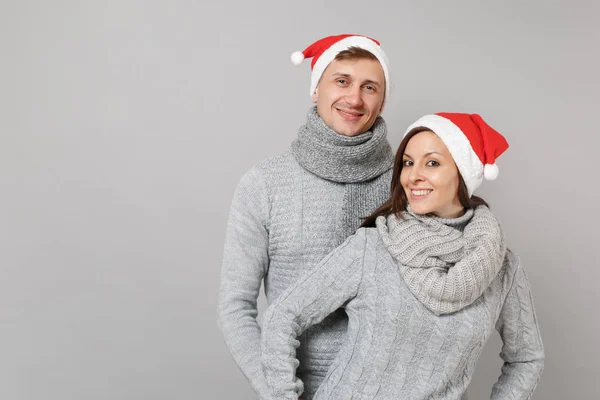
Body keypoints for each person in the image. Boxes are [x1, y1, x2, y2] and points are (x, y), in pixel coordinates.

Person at [261, 112, 545, 399]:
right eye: (408, 163)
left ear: (463, 172)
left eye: (432, 163)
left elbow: (526, 358)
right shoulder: (372, 248)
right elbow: (283, 316)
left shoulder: (502, 268)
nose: (413, 175)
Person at [218, 34, 395, 400]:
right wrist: (280, 392)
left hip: (396, 386)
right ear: (316, 90)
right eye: (341, 81)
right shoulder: (265, 184)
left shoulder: (409, 184)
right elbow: (235, 308)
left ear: (382, 99)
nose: (354, 98)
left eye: (369, 87)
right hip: (303, 389)